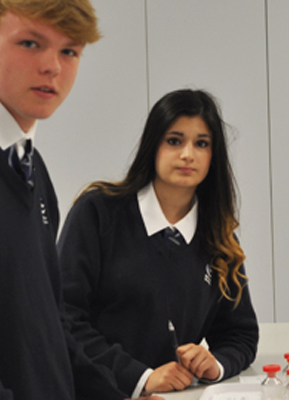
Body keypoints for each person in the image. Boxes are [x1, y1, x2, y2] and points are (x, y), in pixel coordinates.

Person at [0, 1, 162, 399]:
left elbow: (52, 330)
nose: (52, 67)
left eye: (69, 51)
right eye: (30, 44)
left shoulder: (32, 170)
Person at [57, 89, 259, 397]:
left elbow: (240, 334)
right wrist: (140, 378)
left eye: (201, 143)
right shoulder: (97, 213)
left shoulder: (218, 236)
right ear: (153, 145)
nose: (188, 154)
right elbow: (65, 317)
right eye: (174, 141)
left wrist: (215, 364)